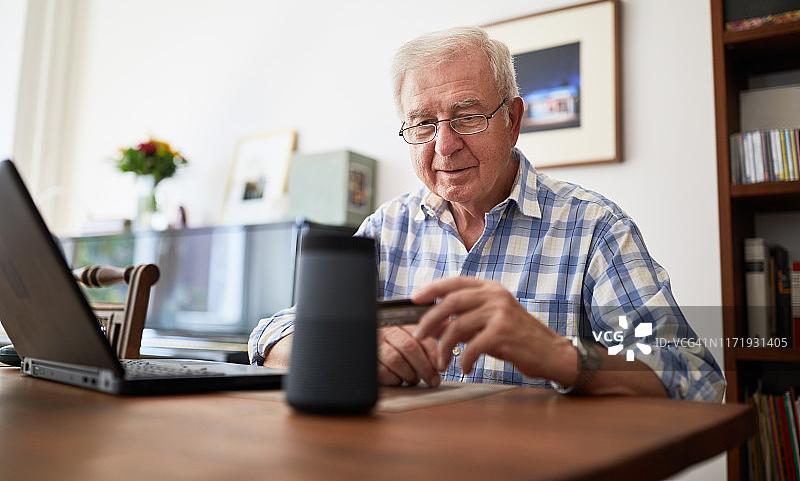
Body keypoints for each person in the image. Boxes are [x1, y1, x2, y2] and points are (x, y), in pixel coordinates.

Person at [248, 27, 725, 402]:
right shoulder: (385, 229)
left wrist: (559, 356)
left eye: (468, 116)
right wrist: (345, 349)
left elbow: (694, 378)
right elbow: (275, 334)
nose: (444, 144)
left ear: (512, 120)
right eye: (422, 124)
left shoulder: (595, 228)